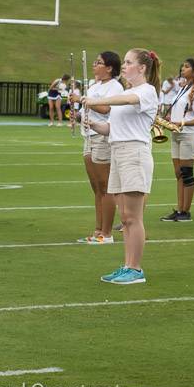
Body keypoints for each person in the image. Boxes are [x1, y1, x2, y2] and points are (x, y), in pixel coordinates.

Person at [83, 49, 162, 285]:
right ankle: (127, 265)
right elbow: (112, 128)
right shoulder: (128, 92)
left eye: (129, 62)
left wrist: (96, 100)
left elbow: (126, 101)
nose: (124, 66)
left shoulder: (146, 91)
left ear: (142, 68)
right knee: (125, 216)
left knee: (133, 217)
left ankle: (135, 269)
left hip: (134, 153)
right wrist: (93, 124)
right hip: (118, 151)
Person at [77, 52, 123, 245]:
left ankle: (107, 233)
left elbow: (107, 109)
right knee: (96, 188)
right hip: (89, 136)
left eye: (99, 63)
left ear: (109, 68)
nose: (94, 65)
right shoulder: (95, 86)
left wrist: (85, 101)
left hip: (103, 137)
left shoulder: (115, 87)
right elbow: (83, 111)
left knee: (106, 187)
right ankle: (98, 230)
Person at [161, 58, 194, 223]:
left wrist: (181, 122)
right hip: (176, 134)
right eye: (182, 66)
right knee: (178, 174)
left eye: (187, 67)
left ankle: (186, 211)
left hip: (188, 134)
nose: (183, 68)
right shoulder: (183, 88)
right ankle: (179, 209)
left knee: (186, 173)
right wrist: (168, 118)